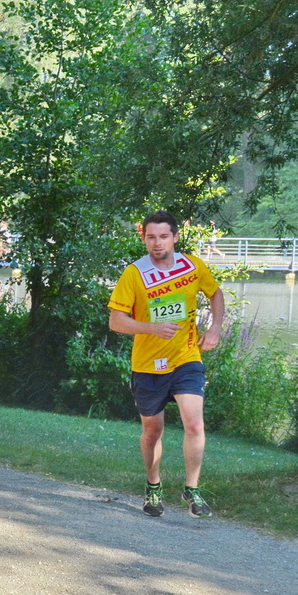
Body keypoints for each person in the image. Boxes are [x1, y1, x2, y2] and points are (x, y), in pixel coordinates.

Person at [107, 211, 225, 519]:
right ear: (143, 238)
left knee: (195, 424)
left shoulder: (193, 266)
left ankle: (192, 489)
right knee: (152, 431)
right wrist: (151, 328)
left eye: (163, 237)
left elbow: (215, 294)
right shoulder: (135, 273)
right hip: (148, 365)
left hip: (186, 358)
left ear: (174, 237)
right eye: (150, 237)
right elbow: (116, 321)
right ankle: (153, 485)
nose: (157, 243)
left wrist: (214, 328)